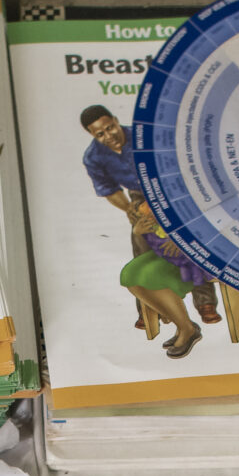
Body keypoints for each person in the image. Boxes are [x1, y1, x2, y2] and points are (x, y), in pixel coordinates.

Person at [78, 104, 219, 359]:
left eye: (110, 127)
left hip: (169, 189)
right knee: (140, 242)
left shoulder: (144, 138)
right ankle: (150, 310)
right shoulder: (93, 158)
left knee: (188, 244)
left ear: (116, 120)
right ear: (93, 137)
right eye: (100, 134)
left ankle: (204, 301)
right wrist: (131, 211)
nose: (108, 136)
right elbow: (109, 190)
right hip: (136, 197)